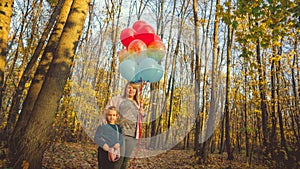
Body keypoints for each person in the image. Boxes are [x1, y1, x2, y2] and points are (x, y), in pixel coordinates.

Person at [102, 82, 145, 169]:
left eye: (134, 88)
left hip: (132, 136)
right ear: (125, 89)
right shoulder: (117, 99)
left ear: (136, 91)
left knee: (125, 162)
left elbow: (140, 121)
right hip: (119, 134)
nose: (131, 90)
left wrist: (142, 114)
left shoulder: (138, 104)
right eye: (129, 87)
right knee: (118, 160)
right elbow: (106, 112)